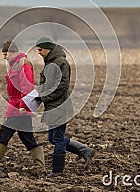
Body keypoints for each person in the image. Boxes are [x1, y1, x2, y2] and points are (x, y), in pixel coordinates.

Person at [0, 40, 45, 173]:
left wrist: (23, 106)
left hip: (20, 107)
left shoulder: (23, 64)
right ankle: (39, 166)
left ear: (14, 53)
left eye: (6, 54)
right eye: (3, 54)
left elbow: (27, 86)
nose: (4, 57)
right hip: (16, 105)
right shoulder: (14, 64)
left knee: (5, 131)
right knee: (26, 137)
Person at [35, 36, 95, 177]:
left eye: (40, 49)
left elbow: (62, 86)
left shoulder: (61, 62)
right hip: (53, 107)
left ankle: (57, 171)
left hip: (60, 106)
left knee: (58, 139)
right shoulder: (50, 62)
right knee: (53, 138)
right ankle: (85, 151)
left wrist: (43, 97)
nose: (38, 52)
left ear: (49, 49)